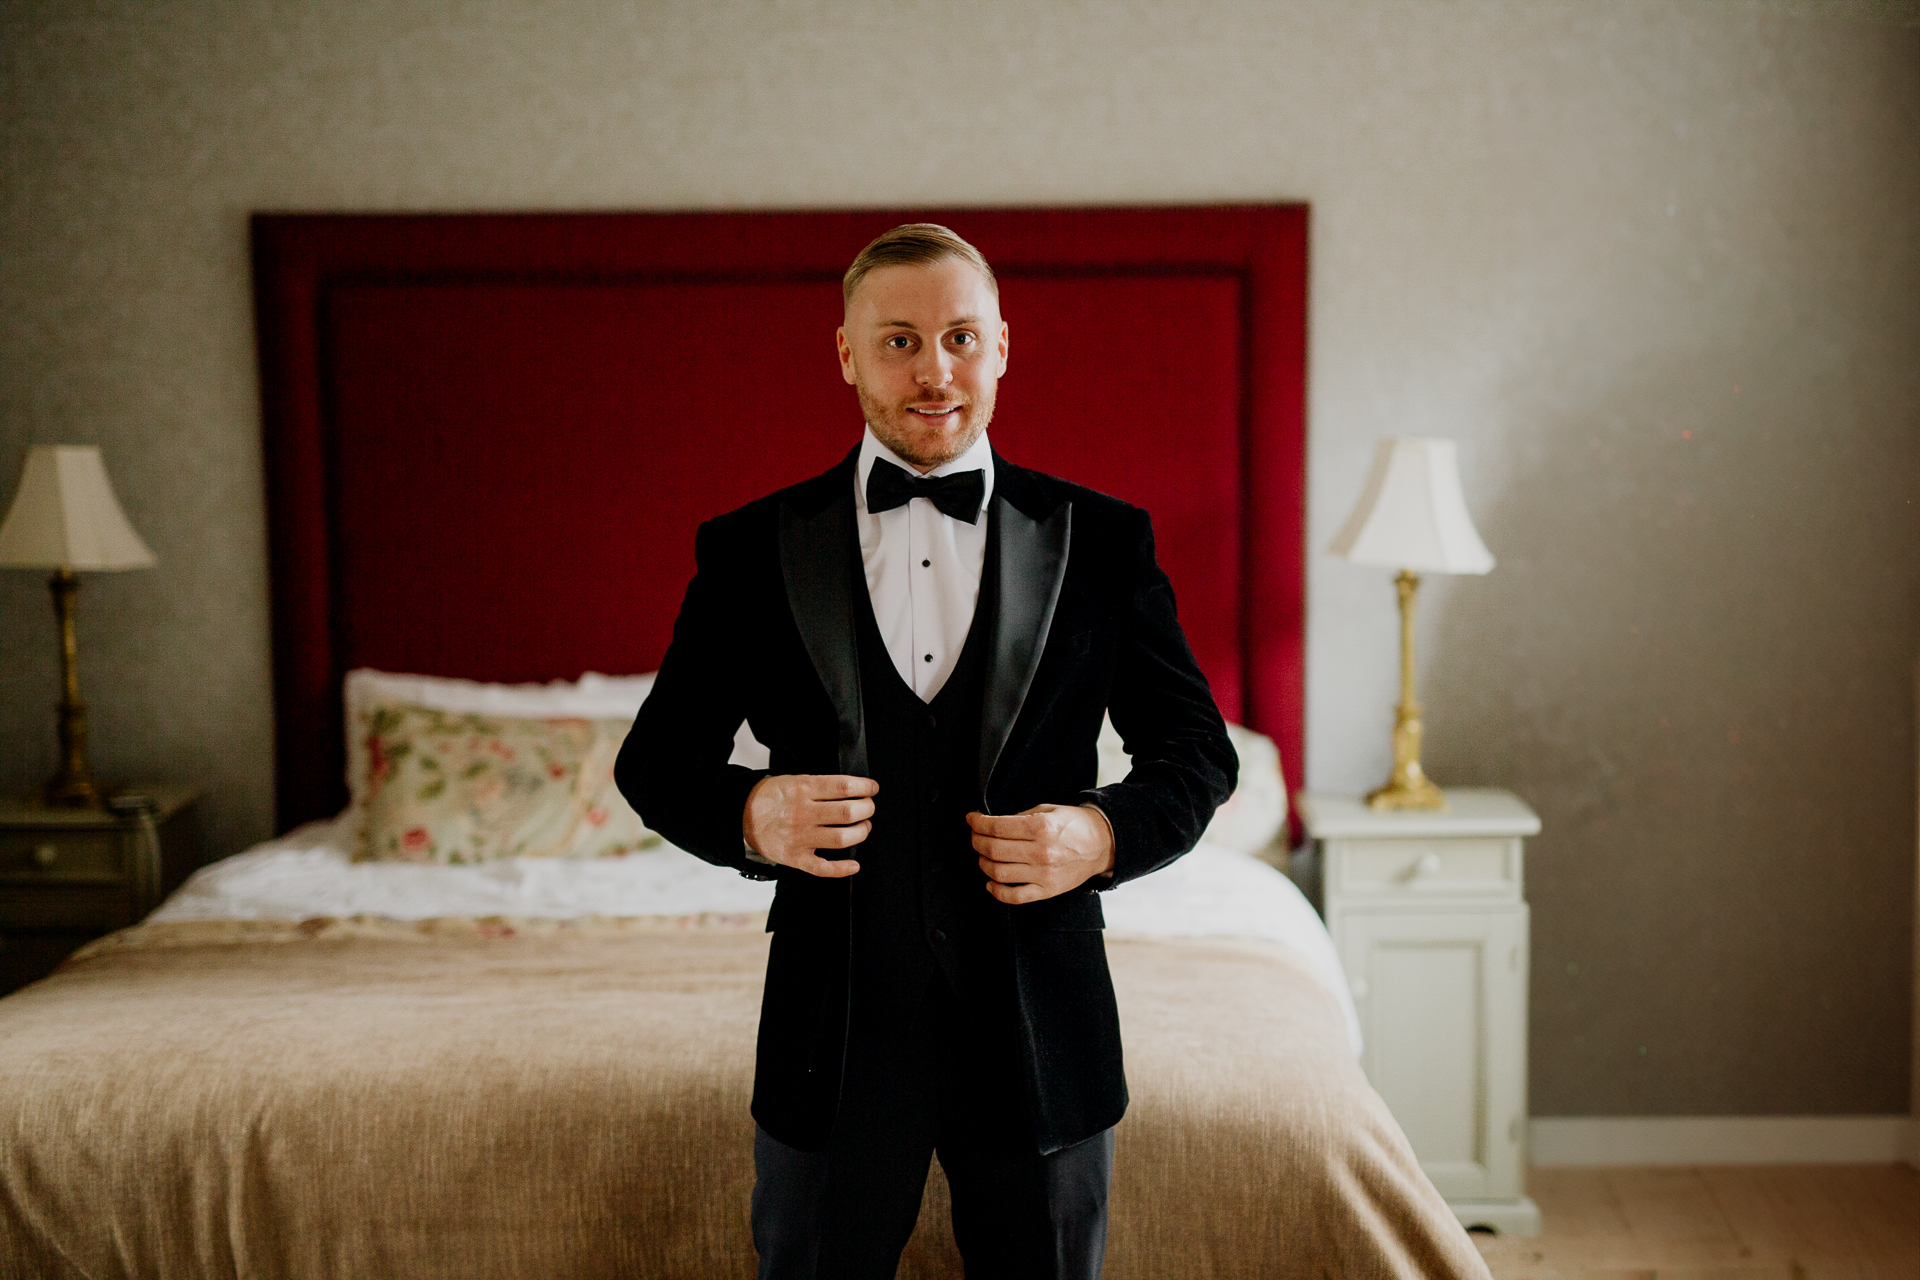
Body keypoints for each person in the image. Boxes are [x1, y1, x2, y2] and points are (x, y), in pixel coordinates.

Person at [617, 223, 1235, 1280]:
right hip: (835, 1032)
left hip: (1043, 1028)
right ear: (847, 353)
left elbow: (1196, 751)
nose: (934, 370)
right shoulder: (751, 548)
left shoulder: (1104, 540)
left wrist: (1099, 832)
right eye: (899, 341)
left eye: (957, 336)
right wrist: (750, 814)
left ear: (1001, 345)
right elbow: (658, 758)